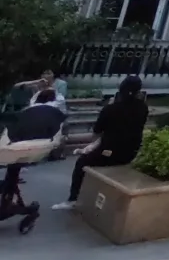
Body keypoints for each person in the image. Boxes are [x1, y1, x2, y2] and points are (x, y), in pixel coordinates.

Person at [53, 75, 148, 210]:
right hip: (131, 152)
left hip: (109, 153)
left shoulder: (110, 109)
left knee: (81, 162)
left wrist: (92, 147)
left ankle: (73, 198)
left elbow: (97, 132)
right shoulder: (143, 108)